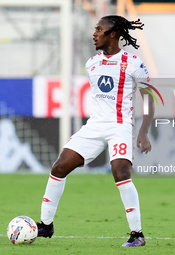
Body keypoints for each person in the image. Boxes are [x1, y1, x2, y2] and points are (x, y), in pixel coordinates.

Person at [37, 15, 155, 247]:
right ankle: (45, 225)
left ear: (113, 34)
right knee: (60, 166)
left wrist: (143, 131)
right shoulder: (91, 63)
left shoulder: (134, 64)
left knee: (120, 172)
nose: (94, 33)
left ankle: (137, 234)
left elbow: (150, 99)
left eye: (100, 29)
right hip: (94, 125)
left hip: (119, 126)